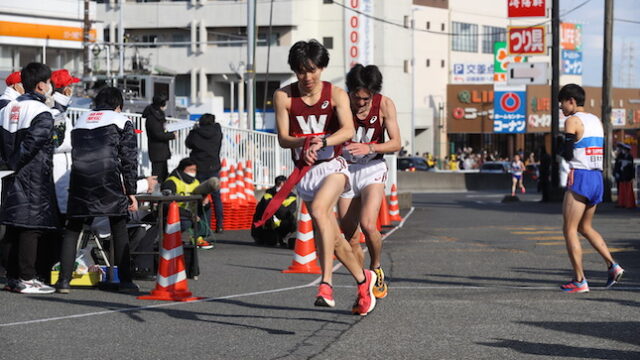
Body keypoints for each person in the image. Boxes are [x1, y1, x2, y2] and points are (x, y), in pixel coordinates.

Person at [273, 39, 376, 315]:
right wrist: (302, 144)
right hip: (306, 174)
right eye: (301, 71)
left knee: (319, 211)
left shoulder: (337, 94)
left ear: (322, 67)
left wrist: (323, 141)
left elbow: (348, 130)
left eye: (313, 70)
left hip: (334, 167)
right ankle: (363, 281)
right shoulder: (283, 96)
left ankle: (326, 284)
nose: (307, 77)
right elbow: (284, 138)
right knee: (336, 238)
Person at [55, 87, 139, 294]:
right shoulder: (121, 121)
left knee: (73, 229)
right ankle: (126, 282)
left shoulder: (81, 120)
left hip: (80, 180)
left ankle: (64, 281)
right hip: (108, 178)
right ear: (118, 106)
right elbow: (129, 160)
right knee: (119, 227)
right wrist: (131, 191)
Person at [338, 64, 401, 310]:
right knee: (350, 235)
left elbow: (396, 143)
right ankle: (363, 288)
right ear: (350, 92)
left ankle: (376, 267)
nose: (361, 103)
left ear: (373, 94)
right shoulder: (339, 104)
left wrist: (371, 147)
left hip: (373, 167)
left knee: (367, 224)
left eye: (367, 98)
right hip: (346, 169)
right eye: (357, 97)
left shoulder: (385, 105)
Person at [558, 83, 624, 293]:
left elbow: (568, 154)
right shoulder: (596, 120)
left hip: (581, 176)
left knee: (569, 229)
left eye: (562, 103)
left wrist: (561, 145)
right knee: (584, 227)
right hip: (597, 177)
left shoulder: (572, 120)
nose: (561, 109)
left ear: (571, 101)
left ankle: (579, 280)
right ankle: (613, 266)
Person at [0, 63, 59, 294]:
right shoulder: (41, 111)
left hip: (10, 175)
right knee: (30, 227)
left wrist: (8, 165)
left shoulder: (5, 109)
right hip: (33, 176)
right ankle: (26, 277)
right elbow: (34, 144)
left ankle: (13, 277)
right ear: (41, 85)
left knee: (14, 226)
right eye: (50, 82)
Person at [161, 157, 219, 249]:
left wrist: (204, 201)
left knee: (207, 208)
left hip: (191, 210)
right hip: (175, 212)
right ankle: (171, 237)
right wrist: (189, 214)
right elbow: (166, 204)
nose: (193, 172)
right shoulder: (172, 182)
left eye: (194, 170)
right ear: (182, 169)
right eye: (190, 170)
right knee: (186, 221)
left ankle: (198, 237)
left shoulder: (195, 182)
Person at [185, 113, 224, 233]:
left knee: (199, 195)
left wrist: (194, 130)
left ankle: (199, 223)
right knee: (216, 196)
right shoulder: (217, 132)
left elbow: (188, 144)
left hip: (200, 167)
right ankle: (219, 224)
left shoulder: (196, 133)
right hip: (214, 167)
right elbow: (218, 128)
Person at [251, 175, 297, 247]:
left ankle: (282, 237)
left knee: (292, 221)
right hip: (268, 223)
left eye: (283, 185)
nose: (281, 188)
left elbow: (290, 211)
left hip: (281, 221)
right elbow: (263, 211)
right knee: (270, 241)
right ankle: (260, 237)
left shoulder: (291, 197)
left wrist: (278, 209)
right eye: (279, 185)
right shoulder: (268, 195)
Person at [143, 94, 175, 183]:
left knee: (164, 174)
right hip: (157, 152)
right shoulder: (152, 117)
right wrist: (171, 136)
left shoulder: (157, 115)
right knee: (157, 176)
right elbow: (157, 134)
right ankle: (155, 193)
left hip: (162, 151)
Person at [613, 143, 635, 208]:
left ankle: (628, 202)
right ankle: (621, 202)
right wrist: (616, 172)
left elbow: (631, 167)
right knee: (620, 189)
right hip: (621, 175)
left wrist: (632, 176)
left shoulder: (630, 157)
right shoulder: (620, 156)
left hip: (627, 175)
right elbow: (617, 165)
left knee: (627, 189)